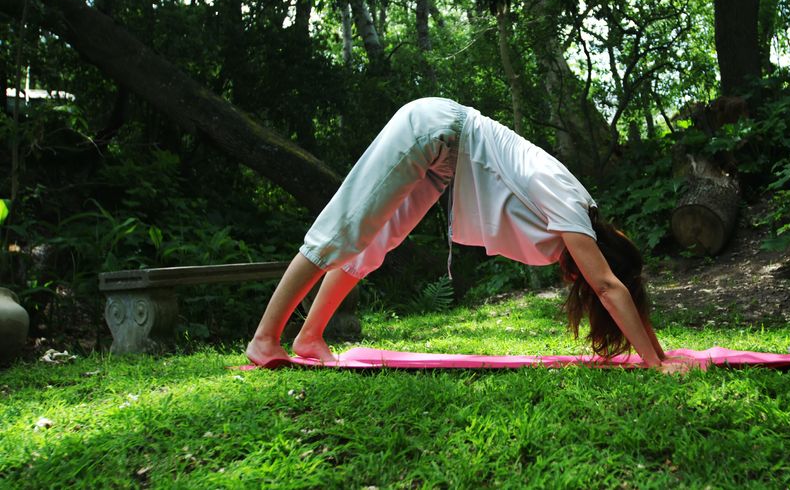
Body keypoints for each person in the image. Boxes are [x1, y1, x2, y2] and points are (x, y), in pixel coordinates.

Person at [246, 97, 688, 373]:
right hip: (432, 130)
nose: (576, 282)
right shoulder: (573, 212)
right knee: (344, 228)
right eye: (584, 280)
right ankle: (265, 338)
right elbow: (610, 286)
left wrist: (660, 352)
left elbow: (619, 286)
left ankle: (309, 337)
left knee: (374, 245)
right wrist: (655, 365)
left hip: (444, 156)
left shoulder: (579, 220)